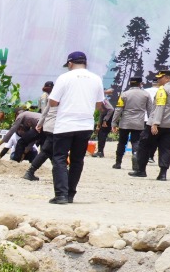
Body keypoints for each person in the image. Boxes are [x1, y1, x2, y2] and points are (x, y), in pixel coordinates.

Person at [44, 52, 107, 203]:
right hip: (85, 124)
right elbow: (99, 105)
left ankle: (61, 195)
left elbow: (52, 102)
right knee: (77, 160)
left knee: (59, 158)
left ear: (70, 63)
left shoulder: (64, 78)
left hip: (65, 124)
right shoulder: (96, 78)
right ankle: (71, 194)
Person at [130, 69, 170, 180]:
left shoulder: (162, 90)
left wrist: (155, 123)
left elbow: (160, 106)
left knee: (144, 145)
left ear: (167, 78)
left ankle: (141, 170)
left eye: (160, 78)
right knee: (166, 149)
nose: (158, 80)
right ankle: (163, 173)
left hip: (159, 123)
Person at [21, 81, 57, 182]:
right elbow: (44, 111)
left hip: (48, 126)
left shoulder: (51, 96)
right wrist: (40, 124)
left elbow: (44, 111)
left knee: (49, 150)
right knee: (47, 150)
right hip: (52, 126)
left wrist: (40, 124)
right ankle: (30, 172)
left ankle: (60, 172)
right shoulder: (47, 97)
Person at [111, 78, 147, 169]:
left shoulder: (124, 94)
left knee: (122, 142)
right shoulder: (145, 94)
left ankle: (118, 163)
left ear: (130, 84)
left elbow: (118, 109)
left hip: (125, 123)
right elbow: (150, 109)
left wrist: (114, 122)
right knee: (136, 142)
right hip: (138, 122)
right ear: (140, 84)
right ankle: (135, 159)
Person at [93, 87, 115, 157]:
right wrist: (99, 124)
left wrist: (105, 120)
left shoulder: (102, 100)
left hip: (108, 118)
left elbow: (111, 109)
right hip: (104, 116)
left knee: (102, 134)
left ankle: (100, 152)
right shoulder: (98, 100)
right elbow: (101, 112)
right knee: (100, 134)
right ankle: (100, 151)